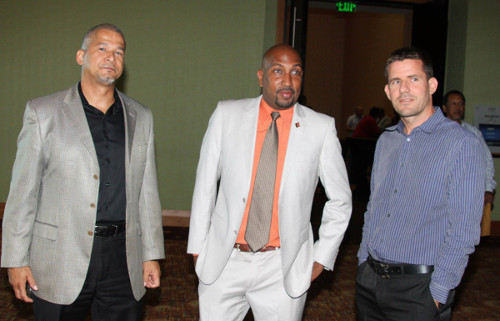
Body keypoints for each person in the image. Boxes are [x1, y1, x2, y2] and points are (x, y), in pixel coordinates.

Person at [1, 23, 165, 321]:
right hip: (60, 257)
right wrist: (15, 259)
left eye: (118, 51)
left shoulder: (141, 116)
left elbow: (146, 191)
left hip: (122, 259)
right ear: (81, 56)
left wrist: (150, 254)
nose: (110, 57)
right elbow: (23, 192)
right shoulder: (43, 112)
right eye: (101, 48)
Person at [187, 44, 352, 320]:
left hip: (283, 266)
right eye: (278, 71)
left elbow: (341, 199)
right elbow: (204, 185)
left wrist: (322, 258)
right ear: (261, 77)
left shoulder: (320, 128)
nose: (288, 81)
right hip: (224, 260)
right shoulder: (227, 115)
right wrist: (198, 250)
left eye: (296, 72)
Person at [356, 47, 485, 320]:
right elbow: (374, 208)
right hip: (370, 282)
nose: (404, 89)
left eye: (413, 79)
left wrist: (438, 294)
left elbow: (463, 232)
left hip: (419, 291)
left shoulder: (461, 144)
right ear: (388, 92)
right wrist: (362, 264)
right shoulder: (386, 141)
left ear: (432, 85)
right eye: (396, 82)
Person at [442, 89, 496, 203]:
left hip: (467, 193)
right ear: (445, 108)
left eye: (461, 104)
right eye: (454, 104)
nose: (458, 107)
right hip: (441, 194)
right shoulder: (436, 132)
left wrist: (488, 188)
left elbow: (487, 160)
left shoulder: (474, 133)